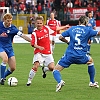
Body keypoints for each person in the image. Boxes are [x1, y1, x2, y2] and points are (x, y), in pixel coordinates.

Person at [53, 15, 99, 92]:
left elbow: (60, 37)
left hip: (69, 55)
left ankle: (60, 82)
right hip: (81, 56)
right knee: (90, 61)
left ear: (79, 21)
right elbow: (98, 33)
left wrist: (67, 42)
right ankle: (92, 82)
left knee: (55, 70)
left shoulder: (72, 29)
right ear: (86, 22)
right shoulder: (88, 30)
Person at [26, 16, 69, 86]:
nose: (39, 24)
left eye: (40, 23)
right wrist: (39, 47)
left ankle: (45, 69)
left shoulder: (47, 28)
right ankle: (29, 80)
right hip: (39, 52)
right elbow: (33, 44)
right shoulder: (34, 33)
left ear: (43, 23)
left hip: (48, 52)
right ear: (35, 24)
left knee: (52, 68)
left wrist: (65, 27)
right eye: (38, 23)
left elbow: (56, 29)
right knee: (36, 66)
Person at [0, 13, 31, 85]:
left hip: (9, 48)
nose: (9, 22)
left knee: (13, 68)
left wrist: (32, 41)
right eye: (8, 21)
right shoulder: (0, 25)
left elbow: (23, 36)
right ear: (4, 20)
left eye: (10, 20)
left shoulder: (13, 28)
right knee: (5, 59)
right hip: (1, 46)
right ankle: (1, 78)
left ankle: (3, 76)